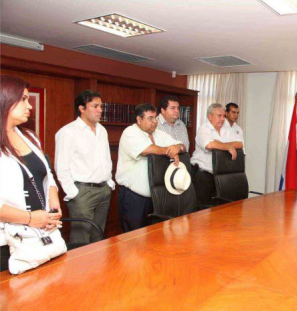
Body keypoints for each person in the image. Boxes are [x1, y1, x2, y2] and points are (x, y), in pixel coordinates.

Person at [0, 75, 62, 271]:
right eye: (24, 99)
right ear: (6, 100)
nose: (29, 106)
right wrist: (29, 218)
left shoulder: (29, 138)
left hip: (40, 234)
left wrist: (54, 206)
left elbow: (48, 175)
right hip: (7, 241)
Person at [55, 91, 115, 244]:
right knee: (81, 239)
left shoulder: (102, 130)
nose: (100, 110)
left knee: (98, 235)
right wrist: (73, 192)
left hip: (103, 190)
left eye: (101, 106)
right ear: (82, 108)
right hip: (82, 193)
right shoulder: (68, 132)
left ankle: (98, 268)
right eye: (95, 106)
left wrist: (109, 182)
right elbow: (61, 167)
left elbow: (106, 159)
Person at [116, 103, 183, 232]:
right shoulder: (130, 132)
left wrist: (177, 148)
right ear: (139, 119)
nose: (154, 122)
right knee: (133, 238)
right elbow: (147, 150)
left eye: (156, 118)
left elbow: (182, 145)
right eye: (150, 118)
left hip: (156, 196)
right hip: (133, 197)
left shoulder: (159, 133)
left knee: (153, 237)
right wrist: (170, 150)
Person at [191, 103, 244, 205]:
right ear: (210, 116)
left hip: (220, 175)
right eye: (219, 116)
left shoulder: (226, 129)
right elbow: (209, 145)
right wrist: (228, 146)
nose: (222, 119)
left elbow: (240, 144)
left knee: (219, 207)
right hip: (203, 175)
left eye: (223, 116)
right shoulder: (204, 129)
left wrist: (219, 144)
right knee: (203, 208)